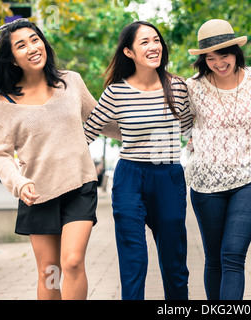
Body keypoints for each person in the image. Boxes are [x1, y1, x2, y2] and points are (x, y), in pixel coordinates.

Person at [0, 18, 120, 300]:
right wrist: (19, 183)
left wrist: (144, 126)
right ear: (11, 59)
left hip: (79, 185)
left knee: (72, 261)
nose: (32, 47)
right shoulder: (4, 104)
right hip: (37, 193)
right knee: (50, 272)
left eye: (35, 40)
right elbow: (1, 155)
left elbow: (100, 121)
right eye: (21, 45)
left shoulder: (70, 82)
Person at [83, 21, 193, 300]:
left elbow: (192, 129)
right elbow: (86, 133)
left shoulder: (178, 87)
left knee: (174, 261)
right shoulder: (116, 92)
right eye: (144, 41)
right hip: (130, 177)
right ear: (129, 52)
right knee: (133, 261)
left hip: (168, 176)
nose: (154, 46)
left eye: (156, 40)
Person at [186, 19, 251, 300]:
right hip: (205, 182)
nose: (219, 63)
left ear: (236, 52)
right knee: (214, 258)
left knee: (233, 254)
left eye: (224, 55)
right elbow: (178, 120)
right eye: (210, 58)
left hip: (249, 178)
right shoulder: (193, 88)